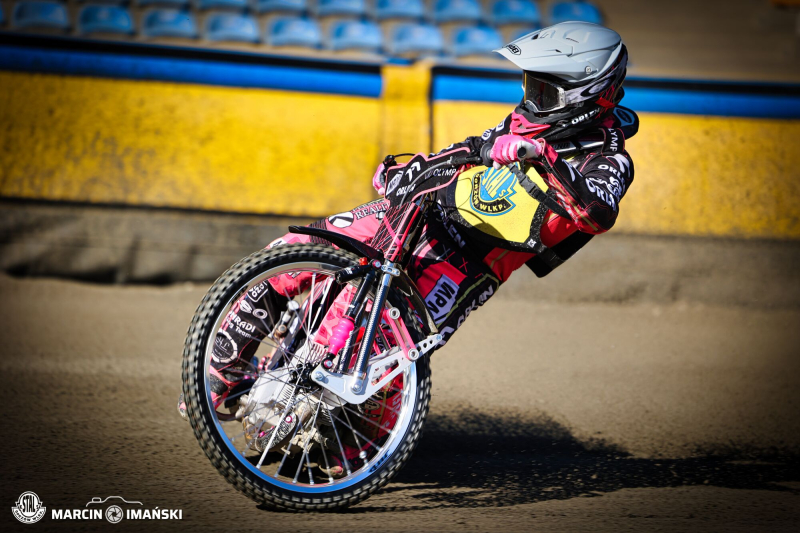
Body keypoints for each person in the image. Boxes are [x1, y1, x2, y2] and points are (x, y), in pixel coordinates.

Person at [180, 22, 638, 472]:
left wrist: (545, 159)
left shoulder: (609, 157)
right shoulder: (527, 121)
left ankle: (353, 451)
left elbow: (597, 213)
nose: (531, 101)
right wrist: (417, 169)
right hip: (421, 214)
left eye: (546, 92)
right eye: (531, 86)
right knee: (293, 250)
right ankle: (221, 382)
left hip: (466, 264)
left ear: (589, 95)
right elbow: (477, 148)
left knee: (385, 355)